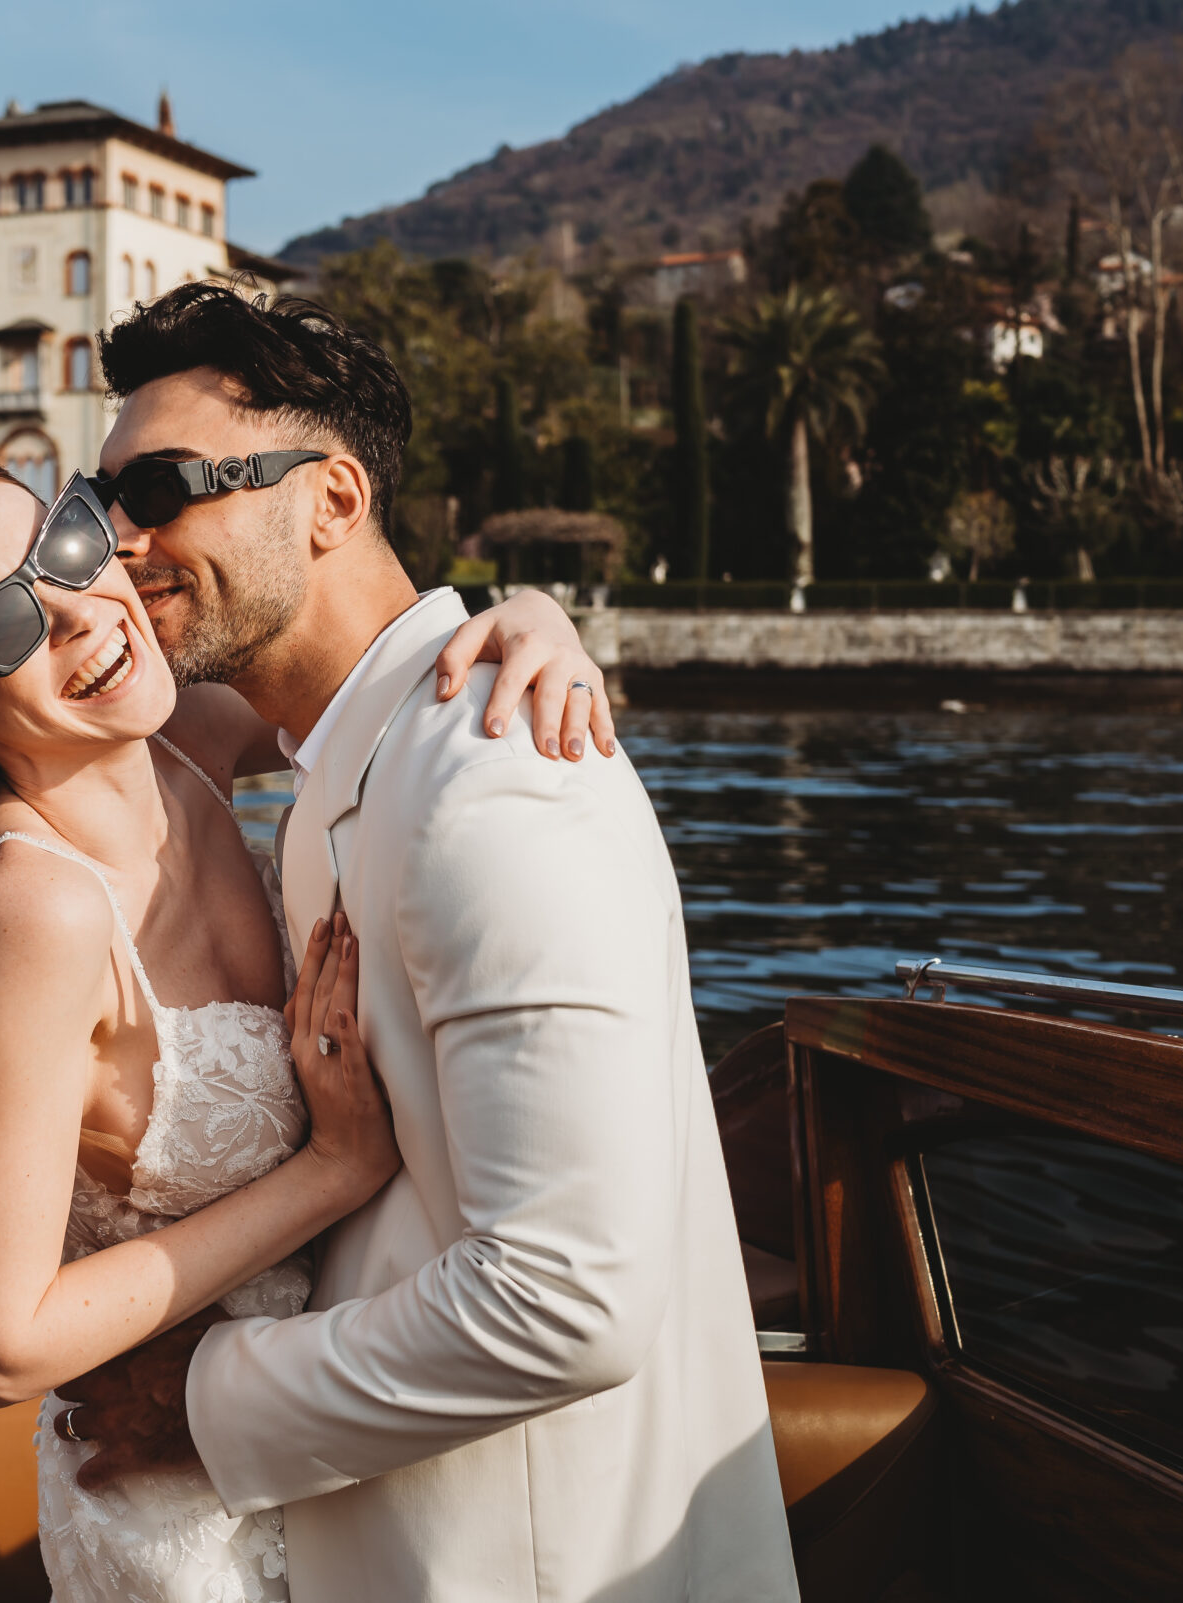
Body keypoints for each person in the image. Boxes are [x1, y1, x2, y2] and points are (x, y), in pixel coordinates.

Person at [0, 444, 617, 1602]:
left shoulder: (188, 741)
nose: (81, 616)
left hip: (324, 1438)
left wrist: (532, 620)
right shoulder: (40, 911)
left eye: (63, 544)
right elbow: (0, 1343)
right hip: (180, 1512)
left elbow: (381, 672)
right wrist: (330, 1171)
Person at [56, 286, 799, 1602]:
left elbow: (569, 1296)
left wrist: (204, 1401)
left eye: (162, 487)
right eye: (100, 500)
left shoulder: (498, 779)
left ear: (333, 501)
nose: (120, 540)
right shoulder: (332, 769)